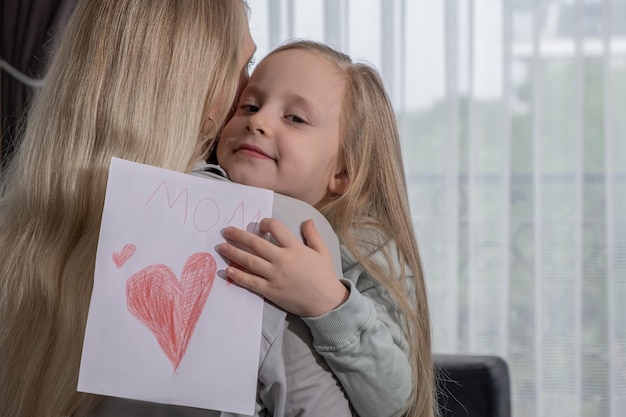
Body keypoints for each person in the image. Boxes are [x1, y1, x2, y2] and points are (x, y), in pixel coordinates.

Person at [0, 2, 354, 417]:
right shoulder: (268, 228)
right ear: (203, 90)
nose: (248, 91)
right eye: (244, 65)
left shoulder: (15, 224)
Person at [203, 40, 437, 417]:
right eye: (249, 105)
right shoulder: (197, 201)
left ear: (342, 171)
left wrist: (326, 302)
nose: (258, 121)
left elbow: (392, 397)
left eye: (295, 118)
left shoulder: (366, 247)